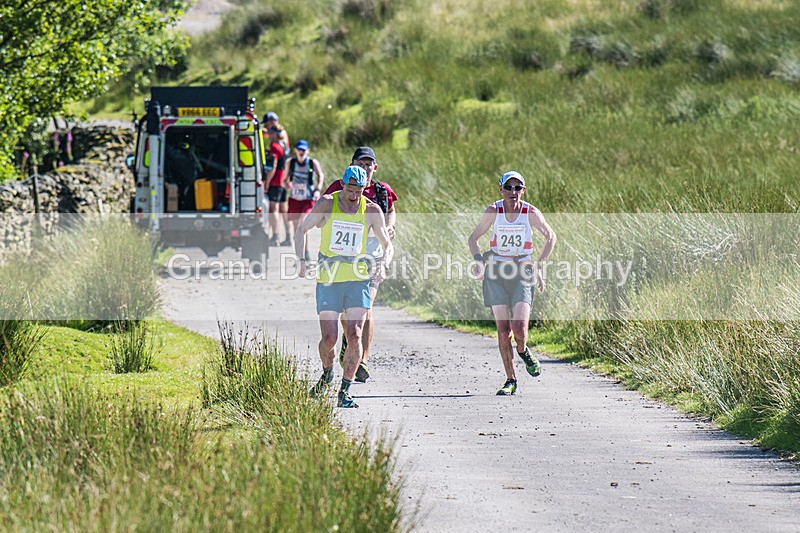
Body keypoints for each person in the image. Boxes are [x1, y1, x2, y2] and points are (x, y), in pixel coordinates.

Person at [295, 165, 394, 408]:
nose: (354, 196)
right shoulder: (328, 203)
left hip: (358, 277)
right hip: (329, 278)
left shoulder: (371, 209)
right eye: (350, 190)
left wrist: (383, 263)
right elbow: (301, 229)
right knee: (329, 339)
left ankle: (345, 390)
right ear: (343, 186)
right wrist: (301, 259)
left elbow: (387, 244)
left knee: (355, 334)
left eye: (359, 191)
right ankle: (327, 373)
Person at [467, 170, 556, 396]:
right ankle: (510, 380)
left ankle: (524, 351)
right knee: (503, 330)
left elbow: (551, 237)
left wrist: (538, 265)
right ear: (501, 190)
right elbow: (473, 238)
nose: (513, 192)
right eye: (509, 187)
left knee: (519, 329)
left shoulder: (530, 212)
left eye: (518, 188)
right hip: (496, 272)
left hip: (522, 272)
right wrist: (478, 262)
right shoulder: (493, 211)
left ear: (523, 190)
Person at [322, 146, 398, 383]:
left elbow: (392, 210)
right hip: (344, 261)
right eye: (361, 163)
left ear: (375, 167)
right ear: (352, 164)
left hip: (372, 258)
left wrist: (390, 225)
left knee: (366, 308)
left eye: (369, 164)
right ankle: (350, 340)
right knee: (347, 312)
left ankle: (363, 359)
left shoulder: (382, 191)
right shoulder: (339, 186)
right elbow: (323, 211)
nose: (366, 168)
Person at [286, 139, 325, 261]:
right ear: (295, 150)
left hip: (308, 199)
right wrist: (287, 184)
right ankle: (299, 255)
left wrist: (318, 189)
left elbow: (321, 176)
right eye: (299, 149)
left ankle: (306, 253)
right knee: (296, 229)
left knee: (303, 224)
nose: (301, 151)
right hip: (294, 199)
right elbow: (284, 179)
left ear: (308, 150)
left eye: (303, 149)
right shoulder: (290, 162)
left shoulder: (313, 163)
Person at [264, 125, 290, 245]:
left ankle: (275, 237)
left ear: (274, 134)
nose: (268, 135)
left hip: (276, 181)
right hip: (284, 180)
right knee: (284, 209)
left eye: (270, 133)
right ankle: (289, 237)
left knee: (273, 208)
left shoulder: (274, 146)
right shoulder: (285, 145)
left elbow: (273, 166)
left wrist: (267, 183)